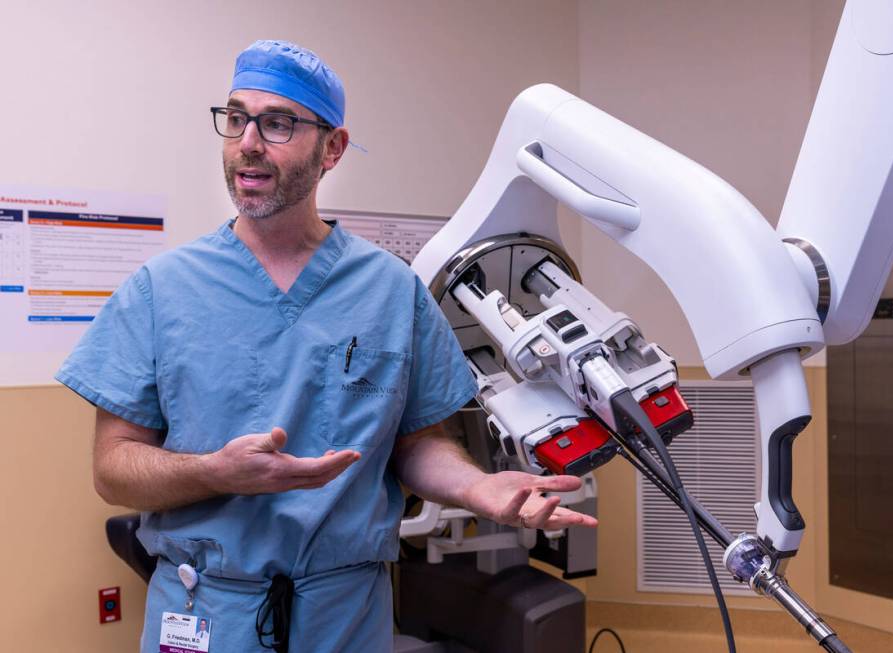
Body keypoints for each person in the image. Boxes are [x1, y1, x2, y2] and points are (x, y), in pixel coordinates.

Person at [57, 40, 596, 653]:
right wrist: (216, 472)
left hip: (345, 614)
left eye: (278, 123)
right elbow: (114, 468)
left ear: (332, 148)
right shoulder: (161, 291)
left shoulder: (391, 291)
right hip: (208, 610)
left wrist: (483, 490)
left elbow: (418, 444)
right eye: (236, 119)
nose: (249, 142)